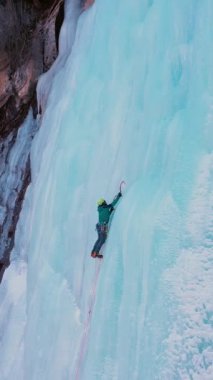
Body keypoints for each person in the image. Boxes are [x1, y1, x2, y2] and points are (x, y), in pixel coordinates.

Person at [91, 192, 122, 258]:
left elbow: (106, 215)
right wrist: (118, 196)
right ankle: (96, 253)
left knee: (99, 239)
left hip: (99, 225)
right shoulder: (105, 207)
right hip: (102, 226)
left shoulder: (101, 209)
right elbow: (113, 204)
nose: (105, 202)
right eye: (104, 201)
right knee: (102, 240)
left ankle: (93, 252)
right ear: (103, 203)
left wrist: (110, 211)